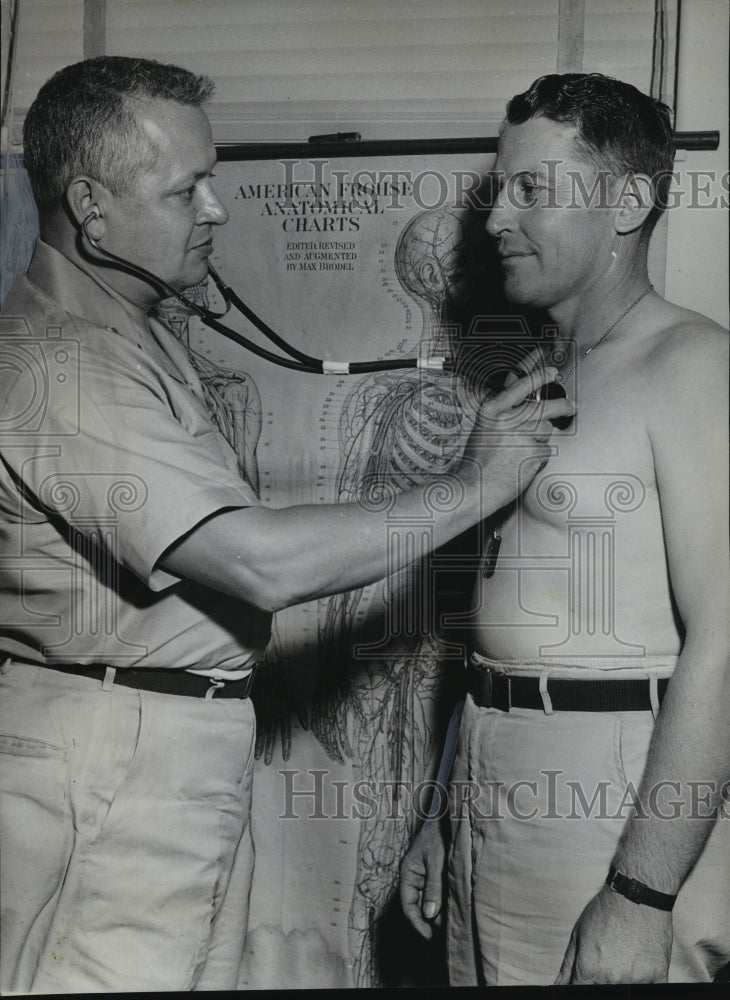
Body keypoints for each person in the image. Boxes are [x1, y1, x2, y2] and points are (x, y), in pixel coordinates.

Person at [0, 56, 572, 994]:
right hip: (113, 758)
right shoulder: (66, 369)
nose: (216, 210)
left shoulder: (128, 334)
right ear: (91, 210)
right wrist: (477, 483)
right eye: (188, 189)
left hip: (164, 742)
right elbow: (255, 562)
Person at [399, 72, 730, 987]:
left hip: (613, 798)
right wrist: (442, 811)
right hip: (494, 769)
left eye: (532, 189)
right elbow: (510, 619)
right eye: (499, 188)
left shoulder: (694, 366)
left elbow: (726, 643)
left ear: (626, 203)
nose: (497, 218)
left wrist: (642, 895)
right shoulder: (537, 378)